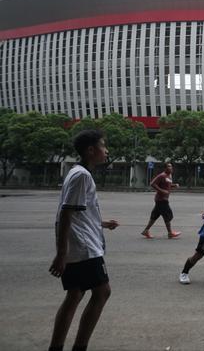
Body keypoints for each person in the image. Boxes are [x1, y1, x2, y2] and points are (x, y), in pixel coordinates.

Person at [48, 130, 119, 351]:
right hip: (83, 248)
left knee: (75, 295)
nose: (106, 151)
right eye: (103, 146)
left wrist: (102, 222)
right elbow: (66, 214)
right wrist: (61, 254)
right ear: (91, 150)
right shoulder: (82, 176)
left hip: (79, 245)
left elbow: (78, 212)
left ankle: (56, 347)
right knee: (102, 292)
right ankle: (79, 346)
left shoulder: (77, 172)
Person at [141, 162, 181, 239]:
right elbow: (152, 183)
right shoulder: (162, 175)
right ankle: (170, 233)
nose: (171, 168)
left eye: (171, 167)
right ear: (165, 168)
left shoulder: (169, 176)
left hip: (162, 200)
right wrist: (161, 191)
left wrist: (174, 185)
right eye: (169, 166)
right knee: (167, 216)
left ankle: (146, 231)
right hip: (161, 200)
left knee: (154, 216)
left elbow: (168, 186)